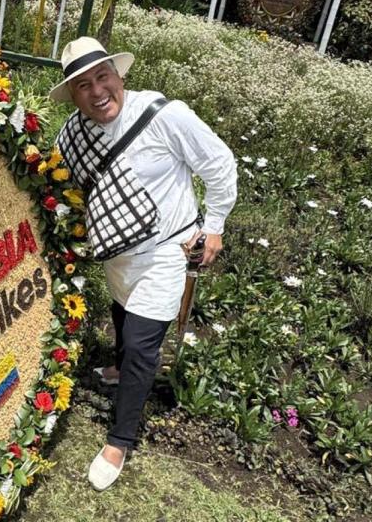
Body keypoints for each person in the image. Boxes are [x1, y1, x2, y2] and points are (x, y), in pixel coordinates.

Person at [49, 37, 237, 491]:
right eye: (82, 85)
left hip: (168, 249)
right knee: (122, 313)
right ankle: (117, 369)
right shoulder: (71, 135)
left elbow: (219, 163)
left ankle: (119, 439)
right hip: (118, 252)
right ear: (72, 95)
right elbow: (67, 186)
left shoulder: (162, 115)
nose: (96, 92)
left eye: (102, 77)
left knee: (141, 342)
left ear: (119, 75)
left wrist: (214, 225)